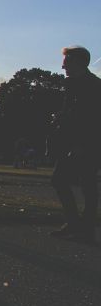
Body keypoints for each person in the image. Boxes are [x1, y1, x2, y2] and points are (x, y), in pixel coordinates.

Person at [49, 46, 101, 244]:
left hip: (88, 144)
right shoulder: (73, 84)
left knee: (86, 184)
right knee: (62, 180)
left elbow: (94, 120)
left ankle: (83, 228)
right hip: (72, 142)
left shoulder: (93, 86)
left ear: (78, 62)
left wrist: (82, 144)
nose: (63, 66)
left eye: (66, 62)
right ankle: (77, 225)